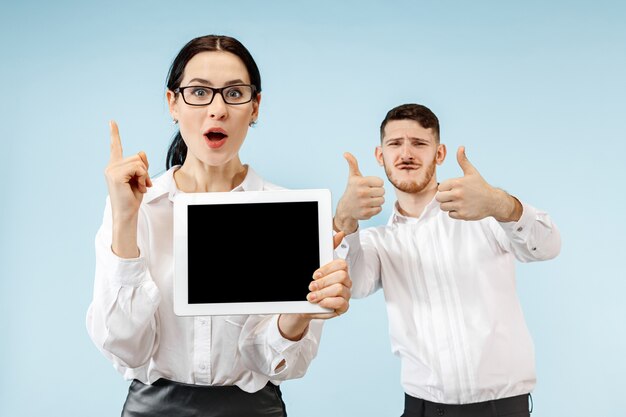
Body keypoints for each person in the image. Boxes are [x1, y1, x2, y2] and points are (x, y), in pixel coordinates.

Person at [86, 34, 351, 417]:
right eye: (199, 92)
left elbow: (277, 365)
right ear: (172, 103)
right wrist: (125, 220)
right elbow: (125, 347)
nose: (217, 109)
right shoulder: (136, 205)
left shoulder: (292, 217)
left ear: (255, 106)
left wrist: (303, 308)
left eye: (234, 93)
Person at [333, 103, 561, 417]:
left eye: (419, 143)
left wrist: (500, 203)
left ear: (439, 154)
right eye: (395, 144)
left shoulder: (484, 214)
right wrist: (345, 220)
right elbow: (354, 285)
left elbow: (548, 246)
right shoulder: (376, 241)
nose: (406, 153)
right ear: (380, 155)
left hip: (502, 409)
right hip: (423, 410)